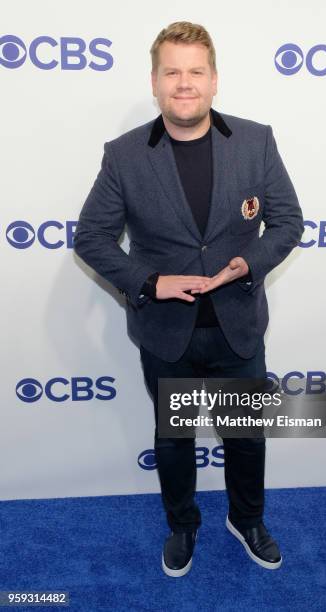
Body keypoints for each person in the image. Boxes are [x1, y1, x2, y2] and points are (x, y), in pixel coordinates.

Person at [73, 21, 304, 577]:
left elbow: (288, 222)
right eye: (172, 72)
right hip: (166, 332)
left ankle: (247, 519)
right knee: (174, 442)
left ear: (214, 79)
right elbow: (91, 239)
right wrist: (152, 282)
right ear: (154, 82)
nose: (184, 83)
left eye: (195, 71)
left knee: (245, 436)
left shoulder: (255, 140)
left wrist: (248, 263)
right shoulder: (124, 155)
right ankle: (183, 526)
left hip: (237, 326)